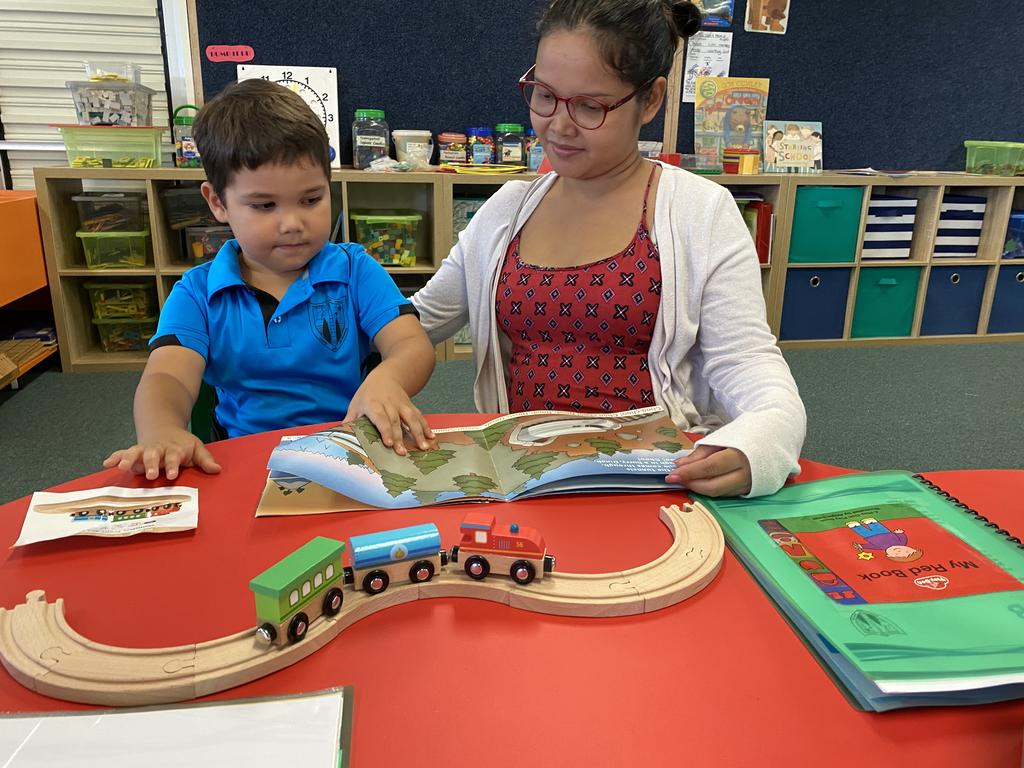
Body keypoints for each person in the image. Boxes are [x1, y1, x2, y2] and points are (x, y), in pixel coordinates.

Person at [412, 0, 806, 498]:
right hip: (527, 478)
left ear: (650, 100)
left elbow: (747, 363)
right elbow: (417, 323)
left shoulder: (699, 211)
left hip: (652, 481)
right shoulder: (506, 210)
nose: (559, 125)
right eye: (544, 96)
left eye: (590, 106)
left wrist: (762, 442)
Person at [104, 79, 436, 481]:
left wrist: (388, 378)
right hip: (243, 464)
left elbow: (411, 344)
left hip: (350, 455)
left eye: (312, 200)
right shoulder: (196, 293)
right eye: (264, 205)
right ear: (217, 202)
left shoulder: (355, 270)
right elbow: (166, 376)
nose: (293, 223)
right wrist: (162, 431)